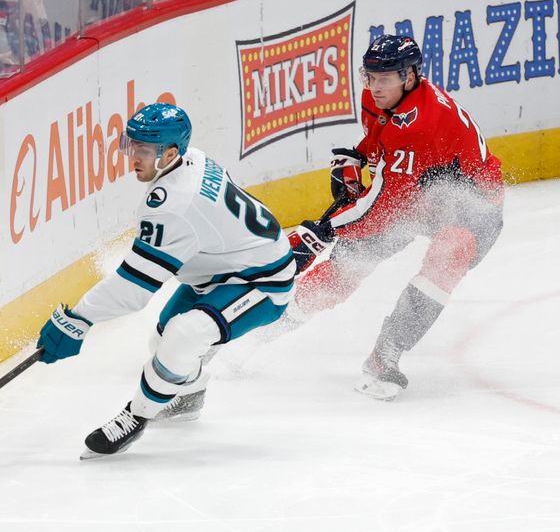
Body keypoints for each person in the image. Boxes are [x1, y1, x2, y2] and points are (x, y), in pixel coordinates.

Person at [36, 103, 297, 457]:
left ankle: (136, 416)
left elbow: (133, 289)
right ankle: (189, 395)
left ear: (171, 153)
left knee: (183, 335)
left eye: (143, 150)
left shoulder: (174, 203)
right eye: (132, 146)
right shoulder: (194, 159)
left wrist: (79, 319)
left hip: (261, 283)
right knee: (162, 341)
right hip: (224, 271)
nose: (133, 157)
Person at [288, 35, 504, 400]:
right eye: (369, 76)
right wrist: (357, 157)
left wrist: (323, 229)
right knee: (345, 269)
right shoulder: (379, 98)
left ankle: (386, 352)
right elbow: (379, 145)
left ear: (410, 76)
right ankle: (266, 328)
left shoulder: (422, 124)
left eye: (384, 78)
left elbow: (383, 206)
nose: (374, 87)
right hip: (417, 191)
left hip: (474, 206)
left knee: (451, 251)